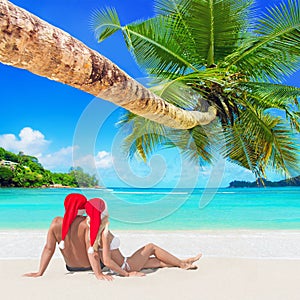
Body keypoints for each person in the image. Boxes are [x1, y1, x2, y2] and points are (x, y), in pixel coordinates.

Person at [85, 198, 202, 277]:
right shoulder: (104, 233)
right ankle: (182, 264)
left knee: (158, 262)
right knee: (151, 247)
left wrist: (98, 273)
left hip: (124, 264)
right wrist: (127, 274)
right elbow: (107, 261)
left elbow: (94, 254)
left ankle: (184, 262)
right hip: (126, 266)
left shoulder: (90, 230)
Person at [23, 193, 114, 281]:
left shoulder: (56, 222)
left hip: (71, 267)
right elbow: (91, 251)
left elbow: (49, 248)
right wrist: (98, 274)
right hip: (91, 266)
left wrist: (40, 272)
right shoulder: (86, 223)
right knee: (107, 237)